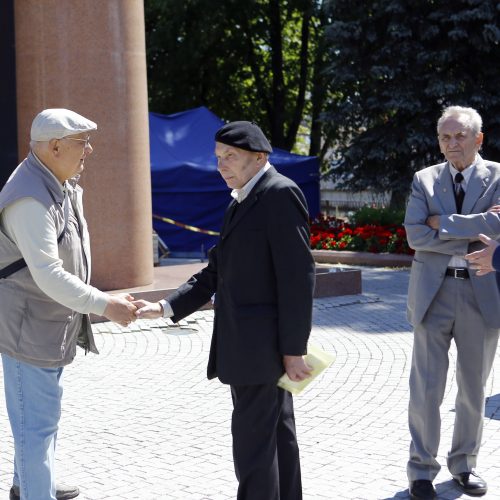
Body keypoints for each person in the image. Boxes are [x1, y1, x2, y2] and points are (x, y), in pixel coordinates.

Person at [134, 121, 315, 500]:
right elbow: (217, 270)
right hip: (248, 346)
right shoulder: (243, 198)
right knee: (275, 437)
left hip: (262, 348)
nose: (221, 165)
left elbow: (298, 277)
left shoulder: (279, 193)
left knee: (253, 447)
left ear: (259, 157)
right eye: (218, 157)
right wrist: (166, 307)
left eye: (230, 156)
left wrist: (294, 348)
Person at [0, 108, 138, 500]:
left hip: (46, 325)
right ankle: (34, 490)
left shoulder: (55, 182)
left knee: (38, 419)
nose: (89, 150)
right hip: (29, 330)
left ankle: (28, 482)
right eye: (82, 143)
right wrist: (105, 305)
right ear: (55, 146)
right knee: (35, 425)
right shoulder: (30, 197)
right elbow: (48, 274)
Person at [404, 105, 500, 499]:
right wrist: (475, 229)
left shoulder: (498, 176)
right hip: (433, 292)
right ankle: (421, 471)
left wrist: (441, 223)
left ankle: (464, 465)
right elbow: (414, 235)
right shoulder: (424, 180)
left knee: (473, 387)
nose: (452, 143)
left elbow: (498, 224)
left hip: (482, 291)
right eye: (445, 137)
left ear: (479, 139)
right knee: (426, 388)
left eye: (460, 136)